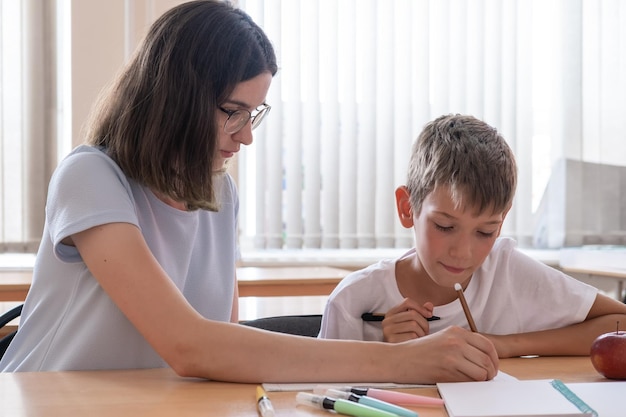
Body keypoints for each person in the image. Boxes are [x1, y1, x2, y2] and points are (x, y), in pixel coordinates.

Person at [0, 1, 499, 383]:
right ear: (177, 98)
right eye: (232, 112)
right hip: (45, 401)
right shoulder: (91, 177)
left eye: (254, 113)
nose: (246, 135)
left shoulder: (219, 193)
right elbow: (189, 345)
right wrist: (398, 360)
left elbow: (223, 345)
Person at [318, 114, 626, 358]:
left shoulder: (507, 272)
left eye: (485, 231)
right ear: (407, 209)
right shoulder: (354, 300)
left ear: (501, 226)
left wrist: (501, 345)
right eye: (445, 226)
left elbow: (620, 324)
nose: (463, 252)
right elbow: (320, 392)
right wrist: (388, 355)